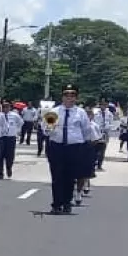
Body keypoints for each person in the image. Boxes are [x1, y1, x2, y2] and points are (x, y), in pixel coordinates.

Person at [43, 84, 93, 215]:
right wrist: (50, 127)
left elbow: (86, 131)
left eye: (72, 95)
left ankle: (67, 202)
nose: (69, 97)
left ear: (76, 97)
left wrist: (84, 148)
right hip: (57, 147)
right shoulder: (54, 112)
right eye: (66, 94)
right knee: (57, 177)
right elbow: (47, 131)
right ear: (62, 96)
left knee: (70, 177)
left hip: (74, 148)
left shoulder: (80, 113)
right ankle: (56, 204)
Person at [2, 101, 21, 178]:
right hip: (2, 137)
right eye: (4, 107)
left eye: (7, 107)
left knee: (10, 155)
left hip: (11, 137)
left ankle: (9, 167)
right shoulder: (0, 115)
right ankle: (0, 172)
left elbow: (20, 123)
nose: (5, 109)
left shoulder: (15, 115)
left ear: (10, 108)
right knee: (1, 155)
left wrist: (17, 131)